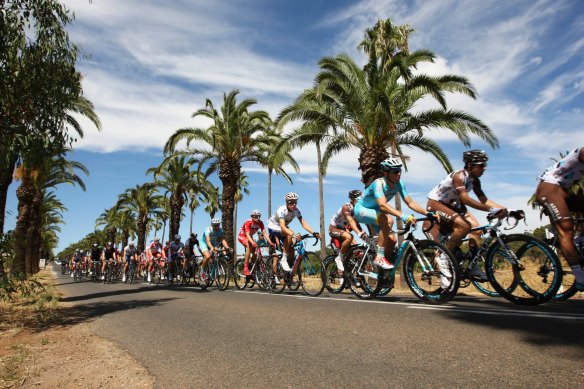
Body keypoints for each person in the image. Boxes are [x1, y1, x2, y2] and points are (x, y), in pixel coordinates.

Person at [426, 150, 508, 282]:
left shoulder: (475, 180)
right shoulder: (459, 176)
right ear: (470, 165)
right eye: (481, 165)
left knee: (477, 229)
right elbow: (466, 199)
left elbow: (484, 200)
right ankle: (443, 258)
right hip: (436, 203)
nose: (484, 168)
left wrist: (505, 209)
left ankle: (473, 265)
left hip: (453, 205)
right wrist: (492, 210)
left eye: (485, 164)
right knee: (464, 226)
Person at [355, 158, 430, 271]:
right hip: (362, 210)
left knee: (392, 240)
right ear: (386, 173)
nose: (398, 173)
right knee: (389, 221)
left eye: (400, 170)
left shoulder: (399, 184)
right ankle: (379, 257)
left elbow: (410, 202)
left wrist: (428, 213)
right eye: (395, 171)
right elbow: (382, 205)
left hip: (376, 212)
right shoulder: (379, 184)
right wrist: (403, 216)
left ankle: (382, 272)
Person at [536, 147, 584, 290]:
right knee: (566, 230)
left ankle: (579, 240)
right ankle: (580, 278)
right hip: (549, 189)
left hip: (563, 191)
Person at [267, 192, 320, 281]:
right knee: (290, 233)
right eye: (291, 202)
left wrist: (313, 232)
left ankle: (286, 273)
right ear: (287, 202)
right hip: (273, 227)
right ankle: (283, 259)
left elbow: (303, 223)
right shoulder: (282, 210)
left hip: (282, 228)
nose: (294, 204)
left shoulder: (296, 210)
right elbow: (283, 227)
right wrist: (293, 234)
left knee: (291, 250)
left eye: (295, 202)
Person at [328, 190, 368, 273]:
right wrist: (359, 233)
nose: (361, 201)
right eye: (358, 199)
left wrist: (365, 236)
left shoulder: (357, 210)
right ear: (352, 200)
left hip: (342, 230)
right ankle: (339, 258)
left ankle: (352, 276)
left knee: (356, 250)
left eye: (362, 199)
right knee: (349, 236)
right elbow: (351, 221)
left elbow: (357, 225)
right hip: (333, 229)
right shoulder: (346, 207)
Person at [238, 209, 274, 276]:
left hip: (249, 237)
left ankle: (251, 266)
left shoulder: (260, 223)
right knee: (249, 245)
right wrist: (253, 242)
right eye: (256, 216)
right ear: (252, 216)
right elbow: (248, 235)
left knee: (255, 252)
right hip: (242, 236)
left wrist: (270, 242)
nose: (258, 218)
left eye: (259, 216)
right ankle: (245, 268)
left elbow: (265, 233)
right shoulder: (248, 222)